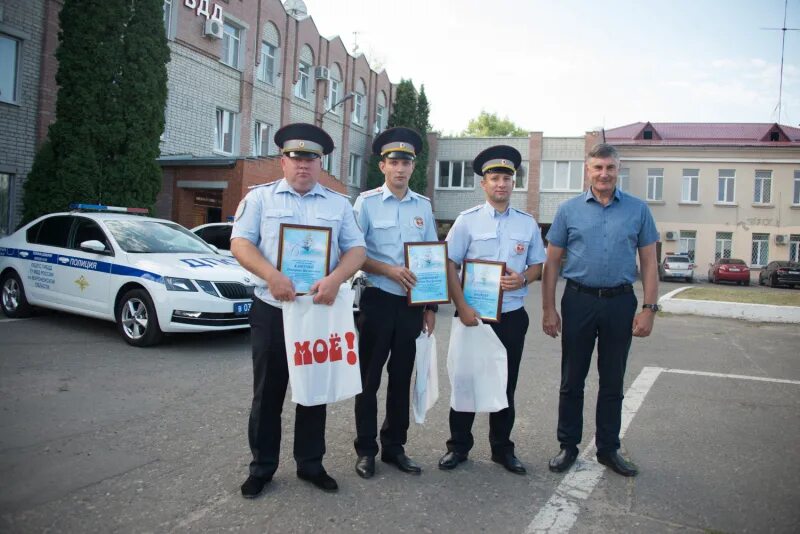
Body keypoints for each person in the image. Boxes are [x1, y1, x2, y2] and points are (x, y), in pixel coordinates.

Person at [231, 123, 366, 497]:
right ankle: (261, 468)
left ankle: (310, 464)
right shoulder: (259, 200)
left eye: (310, 159)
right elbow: (240, 243)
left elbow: (357, 250)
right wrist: (271, 275)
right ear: (282, 161)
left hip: (318, 311)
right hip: (273, 309)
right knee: (268, 393)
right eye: (295, 158)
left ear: (320, 163)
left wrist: (338, 277)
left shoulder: (338, 204)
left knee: (314, 390)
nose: (302, 165)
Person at [542, 143, 659, 478]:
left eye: (609, 167)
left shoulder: (638, 210)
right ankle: (567, 445)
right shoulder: (568, 210)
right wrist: (549, 309)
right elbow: (552, 263)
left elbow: (649, 262)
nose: (604, 174)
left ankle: (608, 449)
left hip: (620, 303)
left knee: (612, 380)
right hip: (578, 300)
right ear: (587, 170)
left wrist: (650, 308)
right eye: (597, 168)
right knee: (572, 378)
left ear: (617, 168)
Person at [437, 145, 546, 475]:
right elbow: (449, 263)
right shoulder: (467, 221)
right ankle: (458, 447)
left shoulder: (527, 224)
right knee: (465, 380)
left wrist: (524, 278)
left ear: (514, 184)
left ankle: (502, 449)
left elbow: (538, 264)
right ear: (483, 184)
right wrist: (461, 306)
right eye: (494, 178)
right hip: (473, 315)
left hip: (511, 315)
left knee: (505, 383)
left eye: (507, 178)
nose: (501, 184)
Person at [351, 127, 438, 479]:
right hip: (377, 300)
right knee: (369, 380)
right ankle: (366, 450)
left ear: (413, 167)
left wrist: (431, 307)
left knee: (401, 378)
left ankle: (394, 447)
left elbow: (432, 257)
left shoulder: (424, 207)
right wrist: (387, 268)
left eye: (406, 162)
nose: (400, 169)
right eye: (394, 162)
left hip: (411, 306)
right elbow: (353, 252)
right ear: (383, 166)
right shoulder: (367, 203)